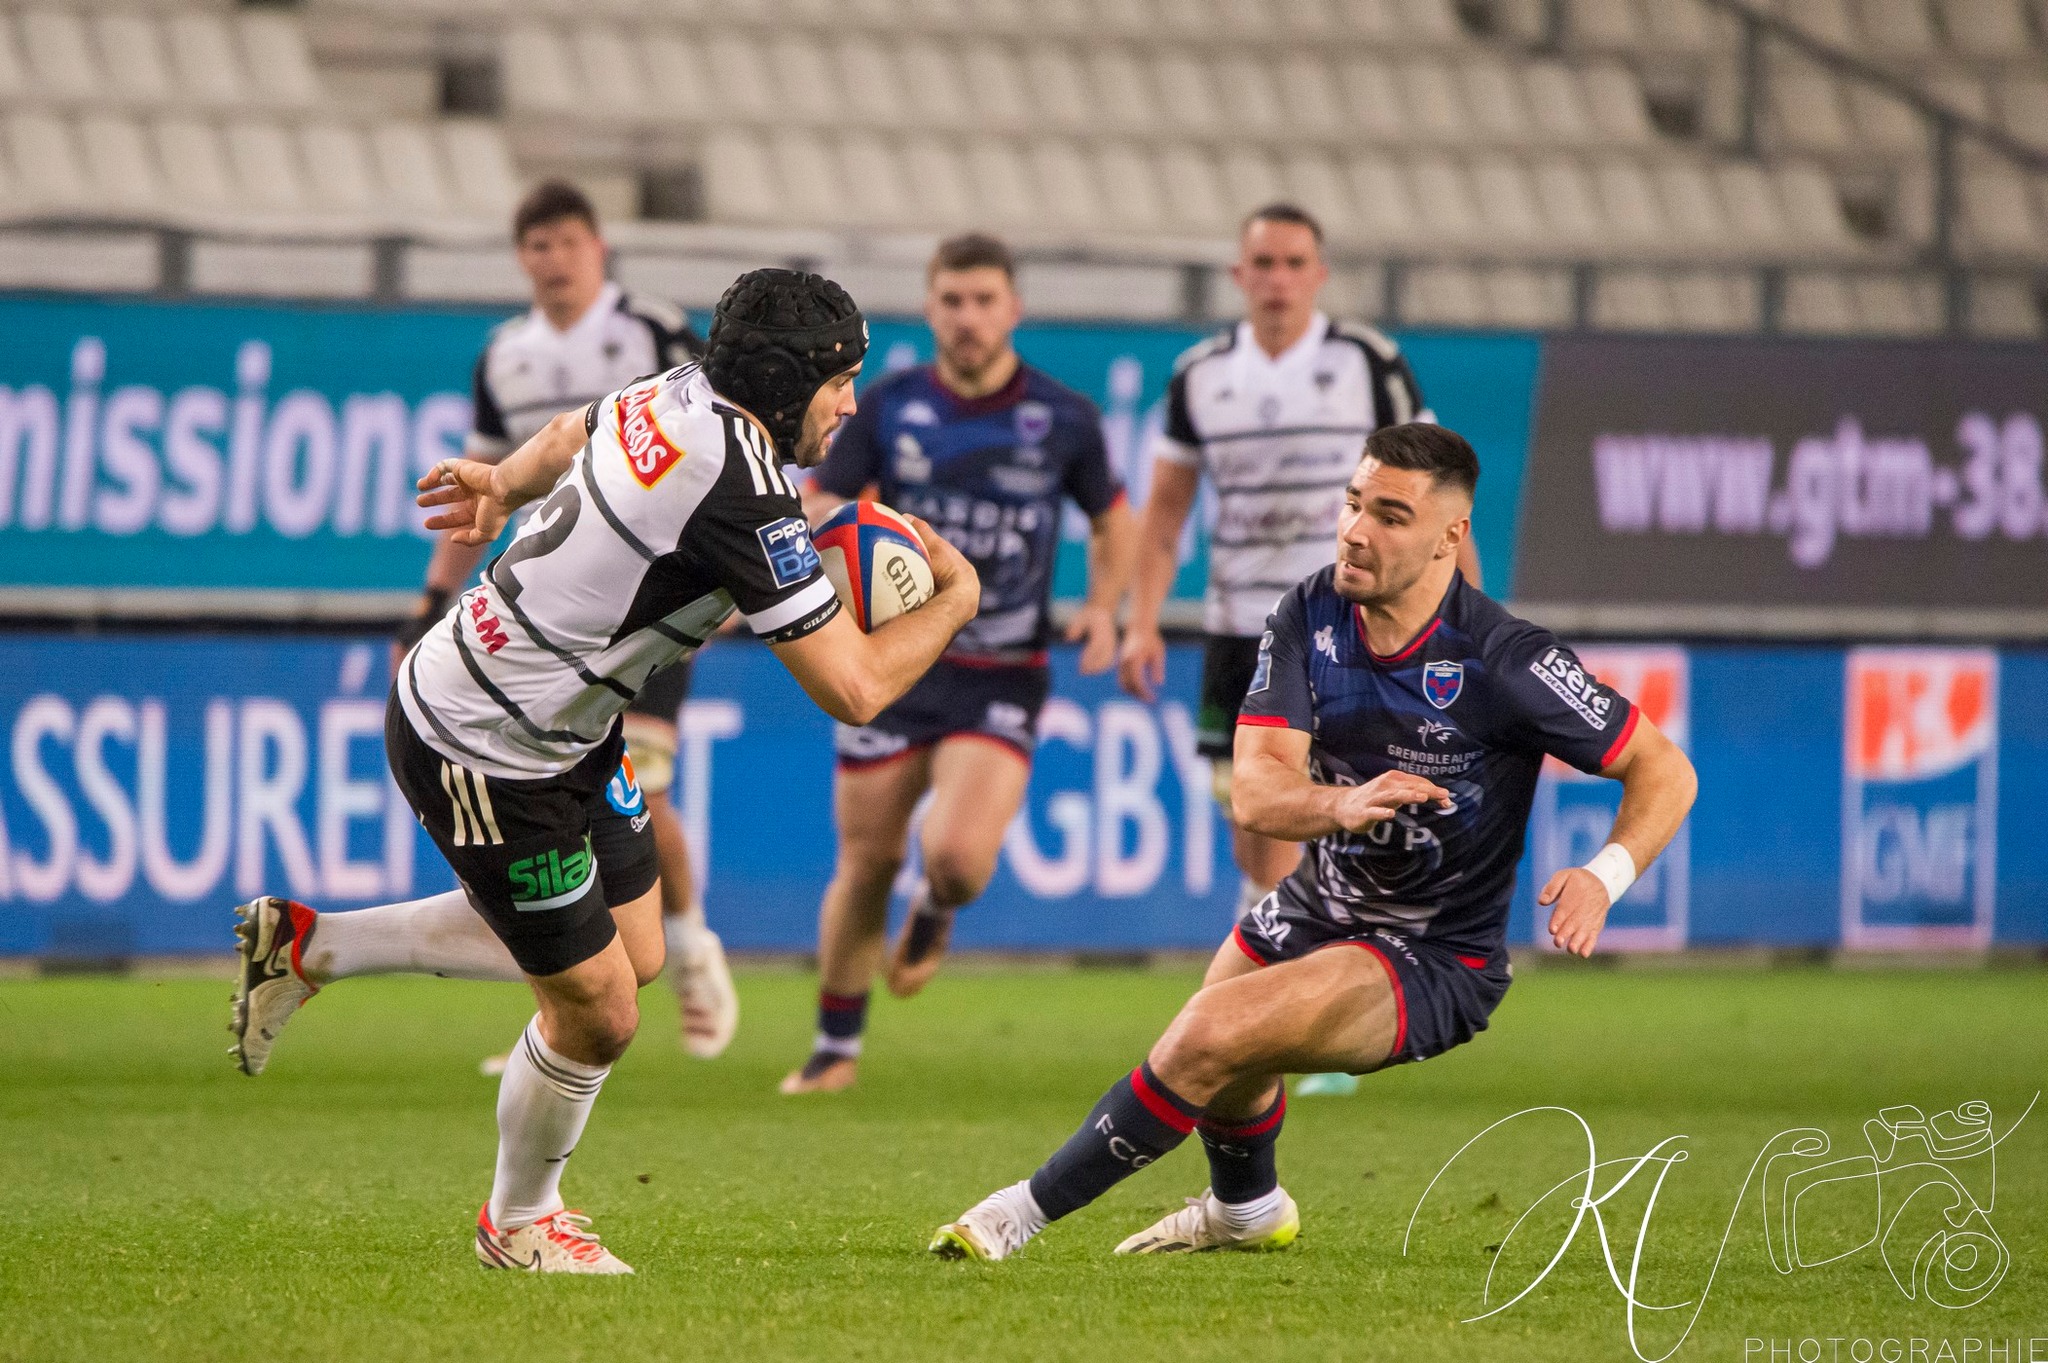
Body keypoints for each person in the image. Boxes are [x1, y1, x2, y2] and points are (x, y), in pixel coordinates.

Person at [231, 269, 982, 1274]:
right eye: (836, 380)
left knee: (633, 948)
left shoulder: (676, 389)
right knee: (597, 1009)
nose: (849, 403)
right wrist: (954, 600)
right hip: (485, 746)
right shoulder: (742, 489)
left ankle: (314, 947)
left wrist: (501, 483)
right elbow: (851, 689)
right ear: (774, 379)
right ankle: (521, 1221)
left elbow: (565, 436)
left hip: (564, 726)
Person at [930, 422, 1697, 1261]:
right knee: (1225, 1058)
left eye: (1391, 515)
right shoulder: (1310, 611)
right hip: (1314, 905)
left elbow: (1665, 770)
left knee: (1207, 1035)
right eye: (1352, 503)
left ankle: (1013, 1217)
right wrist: (1341, 806)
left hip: (1431, 954)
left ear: (1451, 537)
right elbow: (1257, 789)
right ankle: (1249, 1209)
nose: (1356, 530)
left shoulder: (1504, 659)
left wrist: (1603, 874)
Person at [779, 233, 1136, 1095]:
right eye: (952, 300)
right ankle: (835, 1048)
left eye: (984, 300)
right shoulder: (891, 406)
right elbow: (818, 494)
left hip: (1001, 669)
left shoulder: (1064, 416)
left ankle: (937, 910)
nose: (968, 317)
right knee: (864, 863)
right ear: (930, 307)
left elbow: (1114, 518)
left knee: (958, 857)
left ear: (1012, 308)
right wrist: (839, 532)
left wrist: (1102, 605)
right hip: (896, 662)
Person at [393, 180, 737, 1061]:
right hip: (554, 625)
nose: (554, 260)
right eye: (537, 246)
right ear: (522, 258)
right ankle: (568, 997)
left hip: (655, 604)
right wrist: (431, 604)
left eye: (567, 242)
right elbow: (484, 486)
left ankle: (692, 943)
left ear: (599, 247)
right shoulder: (502, 355)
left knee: (643, 789)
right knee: (547, 814)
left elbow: (734, 438)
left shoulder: (653, 329)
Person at [1118, 204, 1476, 931]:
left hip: (1346, 624)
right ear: (1238, 275)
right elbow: (1163, 516)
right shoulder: (1201, 375)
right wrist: (1142, 622)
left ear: (1319, 274)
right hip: (1240, 629)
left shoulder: (1367, 364)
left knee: (1332, 809)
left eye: (1293, 264)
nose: (1278, 279)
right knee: (1252, 819)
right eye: (1264, 264)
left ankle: (1284, 956)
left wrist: (1470, 619)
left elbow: (1441, 503)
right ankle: (1272, 930)